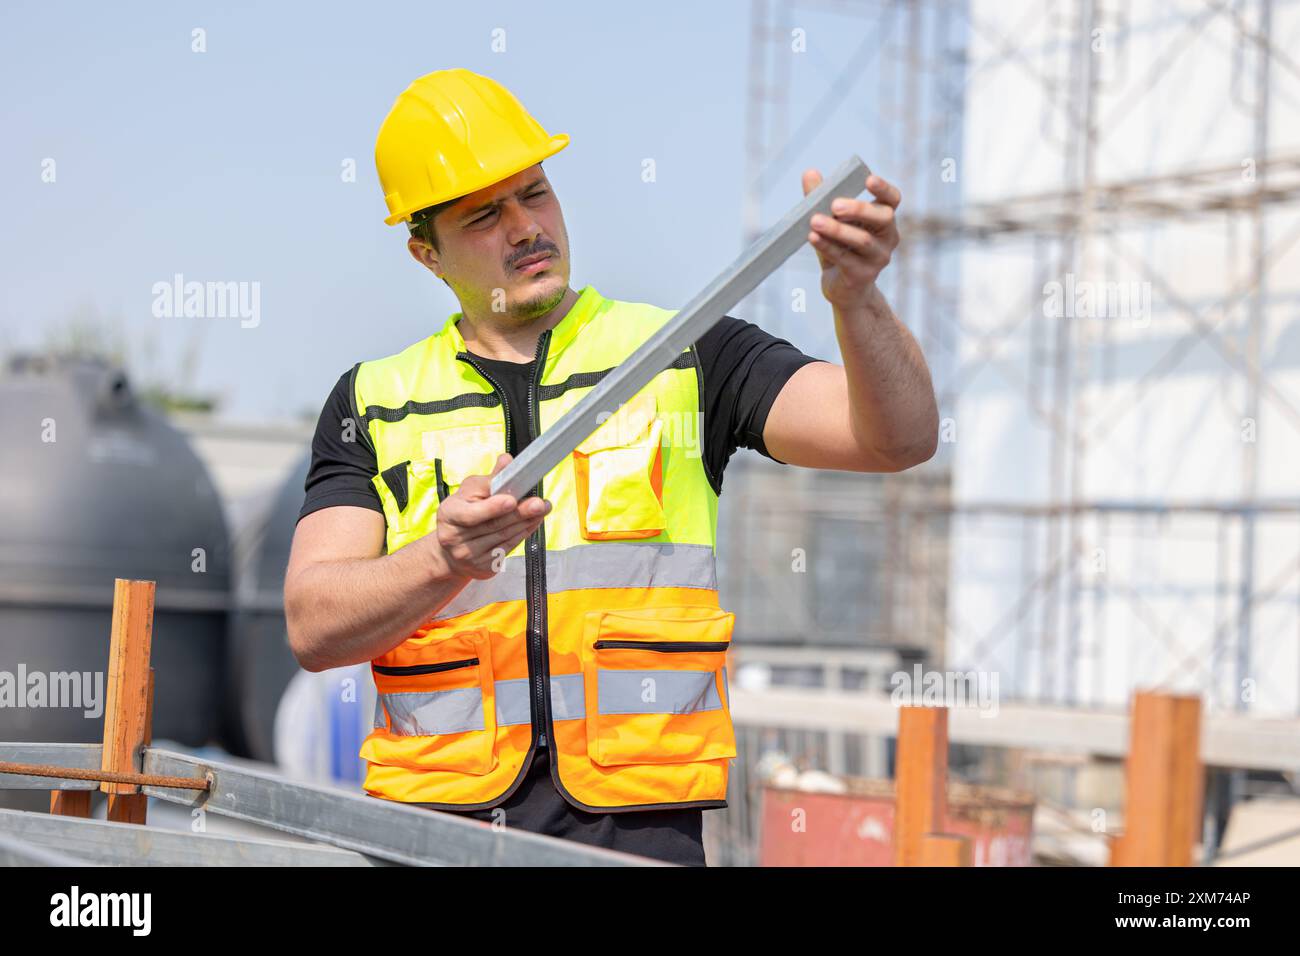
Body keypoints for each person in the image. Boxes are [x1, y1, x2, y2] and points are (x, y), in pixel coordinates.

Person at [284, 68, 938, 867]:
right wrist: (441, 560)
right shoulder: (372, 401)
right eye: (485, 214)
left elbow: (896, 439)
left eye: (535, 192)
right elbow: (313, 625)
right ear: (426, 253)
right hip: (435, 838)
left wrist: (858, 300)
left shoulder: (686, 356)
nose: (525, 226)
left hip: (637, 838)